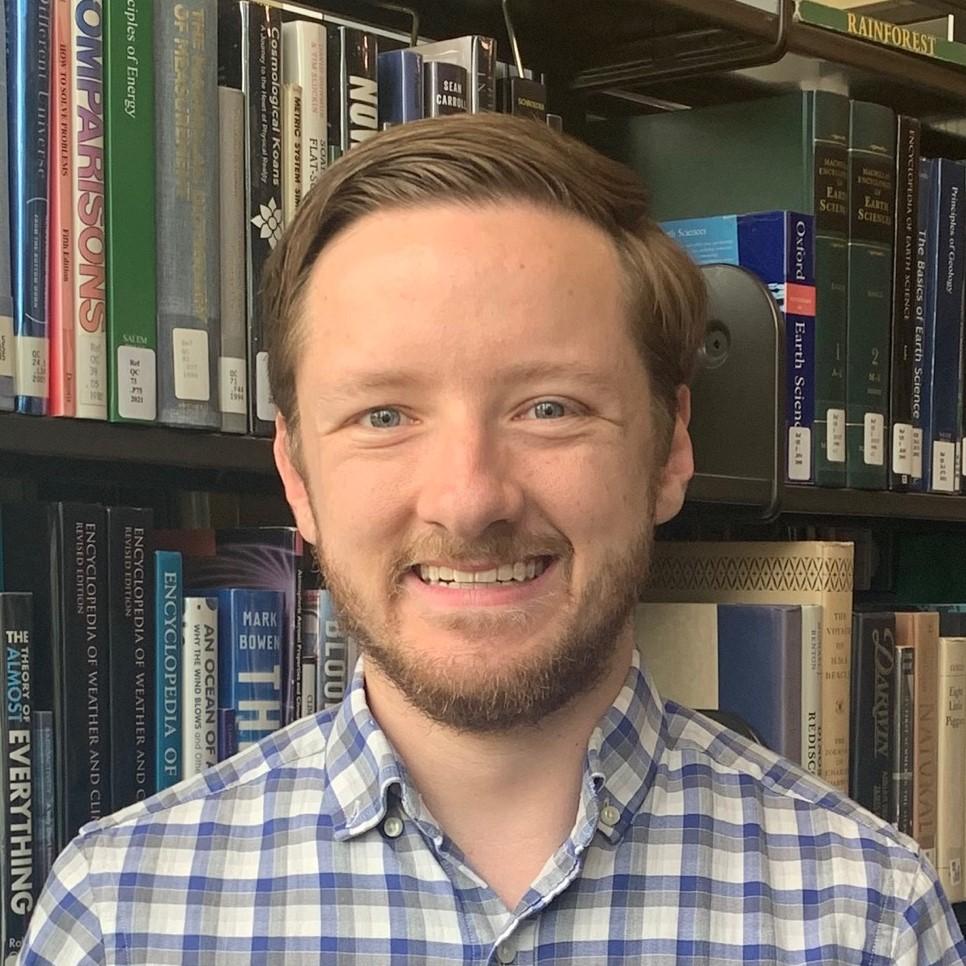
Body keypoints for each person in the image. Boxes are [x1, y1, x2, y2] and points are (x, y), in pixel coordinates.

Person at [21, 113, 966, 964]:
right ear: (298, 476)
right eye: (385, 415)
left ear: (671, 447)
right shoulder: (120, 918)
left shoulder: (868, 919)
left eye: (549, 408)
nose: (470, 499)